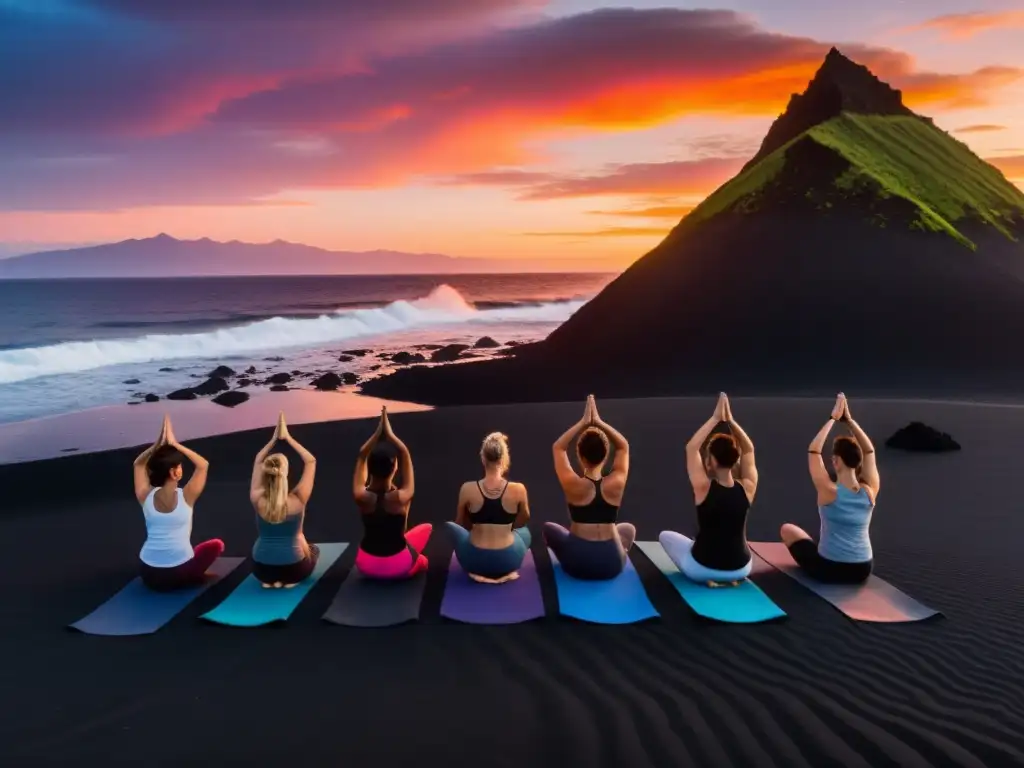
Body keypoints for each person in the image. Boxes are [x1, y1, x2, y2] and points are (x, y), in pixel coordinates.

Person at [660, 393, 758, 587]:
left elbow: (691, 448)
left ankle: (710, 578)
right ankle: (730, 579)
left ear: (711, 461)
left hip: (702, 568)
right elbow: (749, 450)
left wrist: (715, 419)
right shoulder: (748, 487)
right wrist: (731, 421)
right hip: (741, 568)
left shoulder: (703, 487)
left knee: (665, 536)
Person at [779, 393, 878, 584]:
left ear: (835, 461)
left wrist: (833, 418)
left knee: (787, 529)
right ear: (858, 462)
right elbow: (869, 451)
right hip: (863, 568)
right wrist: (849, 420)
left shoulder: (829, 491)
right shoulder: (869, 491)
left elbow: (813, 450)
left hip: (831, 569)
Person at [544, 395, 635, 580]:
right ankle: (618, 551)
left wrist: (583, 422)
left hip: (578, 562)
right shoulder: (617, 481)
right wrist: (599, 423)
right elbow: (623, 446)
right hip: (613, 564)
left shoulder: (573, 484)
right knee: (628, 529)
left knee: (549, 529)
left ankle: (577, 555)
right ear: (605, 454)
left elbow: (558, 448)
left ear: (580, 455)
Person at [133, 414, 222, 591]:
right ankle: (195, 576)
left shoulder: (145, 496)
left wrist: (156, 446)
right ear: (175, 473)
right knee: (216, 545)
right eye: (179, 466)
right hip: (179, 574)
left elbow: (138, 464)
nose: (181, 469)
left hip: (148, 573)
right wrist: (175, 444)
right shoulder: (187, 496)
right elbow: (203, 465)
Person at [353, 407, 431, 579]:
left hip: (366, 565)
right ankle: (412, 564)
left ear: (369, 469)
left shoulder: (361, 496)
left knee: (415, 536)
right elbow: (404, 453)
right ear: (395, 467)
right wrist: (390, 434)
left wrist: (377, 434)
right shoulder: (402, 497)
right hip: (398, 566)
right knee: (424, 551)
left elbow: (361, 456)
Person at [447, 433, 532, 584]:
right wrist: (508, 527)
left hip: (474, 560)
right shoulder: (519, 489)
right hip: (509, 559)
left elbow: (460, 522)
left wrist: (476, 526)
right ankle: (504, 574)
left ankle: (479, 575)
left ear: (483, 459)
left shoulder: (467, 488)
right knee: (525, 532)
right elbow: (524, 519)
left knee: (451, 528)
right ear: (504, 459)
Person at [249, 412, 318, 588]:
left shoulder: (257, 498)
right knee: (314, 550)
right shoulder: (298, 499)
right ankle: (289, 581)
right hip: (294, 569)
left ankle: (270, 582)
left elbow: (258, 460)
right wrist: (288, 438)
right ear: (285, 473)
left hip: (261, 569)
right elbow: (311, 461)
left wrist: (273, 440)